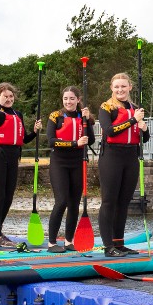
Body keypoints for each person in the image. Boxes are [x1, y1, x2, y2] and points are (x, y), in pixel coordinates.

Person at [97, 72, 150, 257]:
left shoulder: (136, 108)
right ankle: (108, 246)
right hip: (111, 157)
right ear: (112, 88)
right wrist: (133, 120)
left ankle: (119, 244)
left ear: (130, 87)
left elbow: (144, 139)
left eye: (123, 86)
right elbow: (110, 131)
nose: (120, 89)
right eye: (116, 86)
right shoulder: (106, 107)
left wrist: (145, 128)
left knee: (123, 202)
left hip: (130, 157)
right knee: (109, 201)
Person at [0, 82, 41, 247]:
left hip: (14, 156)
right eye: (5, 96)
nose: (8, 99)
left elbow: (22, 140)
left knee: (8, 196)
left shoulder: (18, 114)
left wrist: (35, 133)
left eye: (10, 96)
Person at [45, 86, 95, 253]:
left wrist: (88, 120)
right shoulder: (55, 116)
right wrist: (74, 143)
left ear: (78, 100)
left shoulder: (83, 117)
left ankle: (68, 241)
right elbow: (51, 141)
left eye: (72, 98)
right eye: (66, 98)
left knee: (74, 203)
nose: (68, 101)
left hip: (77, 163)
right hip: (59, 162)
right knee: (62, 201)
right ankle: (52, 243)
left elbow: (91, 140)